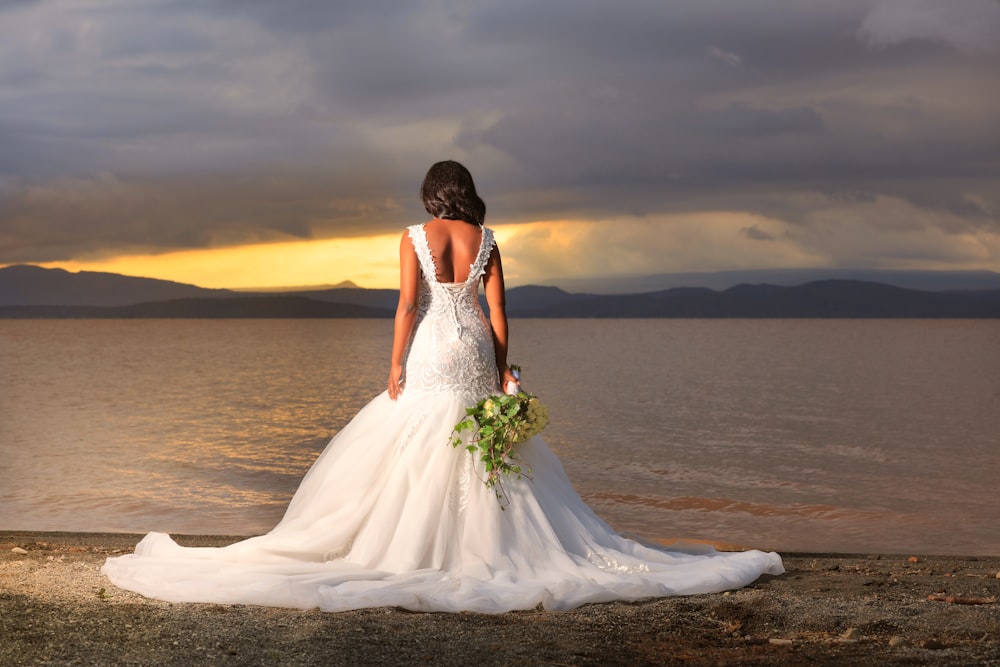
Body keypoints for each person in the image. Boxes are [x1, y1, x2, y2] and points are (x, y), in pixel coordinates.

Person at [102, 161, 783, 613]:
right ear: (468, 194)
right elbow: (498, 312)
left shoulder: (413, 236)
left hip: (433, 343)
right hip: (474, 348)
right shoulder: (486, 237)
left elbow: (405, 304)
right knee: (483, 446)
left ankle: (417, 543)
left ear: (432, 197)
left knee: (416, 436)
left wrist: (394, 363)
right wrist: (502, 367)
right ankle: (485, 543)